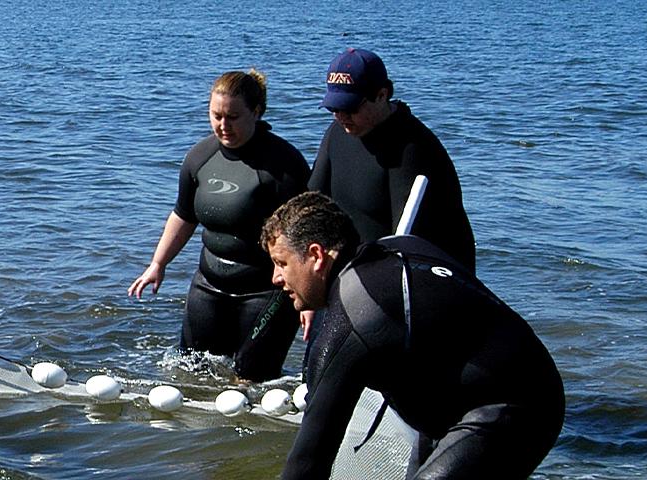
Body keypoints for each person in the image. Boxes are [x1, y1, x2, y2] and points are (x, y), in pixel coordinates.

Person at [262, 192, 564, 479]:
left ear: (316, 255)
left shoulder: (355, 316)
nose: (276, 278)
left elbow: (309, 459)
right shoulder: (398, 247)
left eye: (282, 263)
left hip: (514, 407)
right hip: (476, 400)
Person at [128, 69, 308, 381]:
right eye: (216, 116)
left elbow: (303, 238)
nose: (223, 126)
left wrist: (307, 297)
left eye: (233, 117)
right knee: (192, 372)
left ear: (257, 112)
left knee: (252, 381)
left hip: (265, 292)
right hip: (208, 286)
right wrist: (158, 263)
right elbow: (183, 215)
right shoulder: (200, 157)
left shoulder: (284, 165)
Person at [309, 47, 476, 273]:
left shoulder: (412, 149)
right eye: (334, 108)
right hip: (357, 273)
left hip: (420, 278)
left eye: (350, 107)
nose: (341, 116)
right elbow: (311, 204)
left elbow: (409, 238)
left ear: (382, 95)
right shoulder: (337, 133)